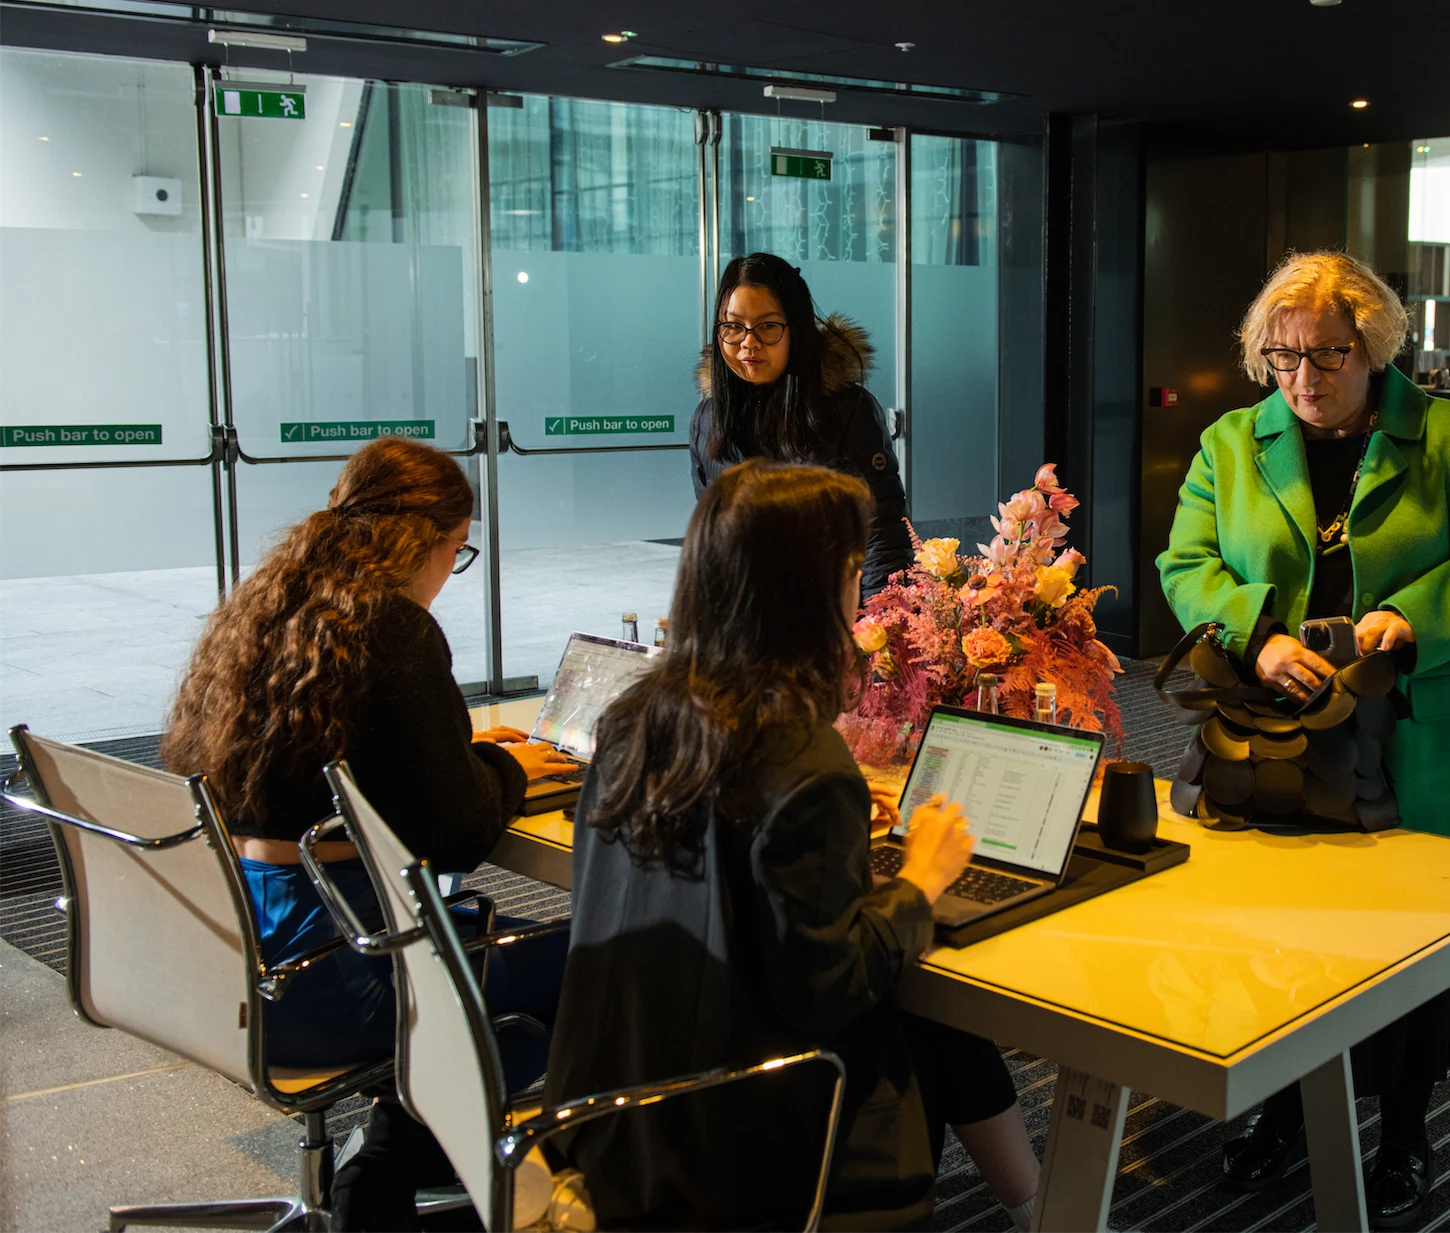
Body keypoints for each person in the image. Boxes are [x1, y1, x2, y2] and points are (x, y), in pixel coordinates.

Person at [544, 459, 1041, 1233]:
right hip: (741, 1151)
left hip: (616, 1115)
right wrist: (921, 876)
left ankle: (1041, 1205)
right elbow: (832, 984)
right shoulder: (800, 758)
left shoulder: (636, 717)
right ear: (808, 590)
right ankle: (1046, 1204)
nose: (859, 592)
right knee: (931, 1013)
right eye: (850, 570)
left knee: (934, 1014)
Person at [1156, 252, 1450, 1229]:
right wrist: (1256, 633)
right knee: (1283, 940)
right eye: (1282, 357)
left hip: (1409, 732)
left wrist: (1415, 615)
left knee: (1409, 942)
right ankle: (1285, 1112)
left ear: (1373, 346)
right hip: (1277, 736)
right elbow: (1186, 563)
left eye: (1327, 354)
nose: (1303, 377)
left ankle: (1406, 1130)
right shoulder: (1231, 443)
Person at [161, 436, 577, 1233]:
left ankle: (389, 1162)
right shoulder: (394, 628)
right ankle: (433, 1159)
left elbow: (342, 773)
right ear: (425, 540)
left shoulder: (271, 608)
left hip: (237, 948)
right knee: (594, 960)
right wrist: (509, 767)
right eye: (458, 551)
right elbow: (457, 832)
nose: (450, 572)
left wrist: (462, 757)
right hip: (337, 967)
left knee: (505, 945)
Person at [691, 252, 911, 600]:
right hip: (745, 620)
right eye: (733, 326)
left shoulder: (846, 411)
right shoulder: (708, 419)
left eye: (767, 326)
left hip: (831, 618)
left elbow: (882, 535)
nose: (749, 342)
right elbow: (712, 545)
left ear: (797, 329)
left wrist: (882, 624)